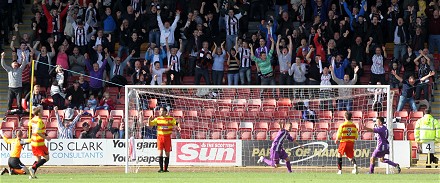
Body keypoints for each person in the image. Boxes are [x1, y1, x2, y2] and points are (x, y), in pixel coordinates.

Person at [148, 107, 181, 173]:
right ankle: (161, 169)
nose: (160, 112)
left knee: (167, 154)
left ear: (166, 112)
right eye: (160, 111)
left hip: (167, 138)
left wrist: (179, 126)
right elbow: (150, 124)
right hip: (160, 137)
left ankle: (165, 169)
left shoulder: (170, 119)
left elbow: (177, 123)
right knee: (160, 153)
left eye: (162, 111)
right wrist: (149, 120)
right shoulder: (157, 119)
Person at [28, 107, 50, 179]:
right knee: (47, 158)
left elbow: (29, 124)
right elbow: (38, 132)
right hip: (39, 142)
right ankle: (32, 167)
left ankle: (32, 175)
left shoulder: (33, 119)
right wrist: (46, 137)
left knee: (38, 159)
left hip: (33, 142)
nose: (43, 112)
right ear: (39, 113)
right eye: (42, 111)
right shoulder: (39, 121)